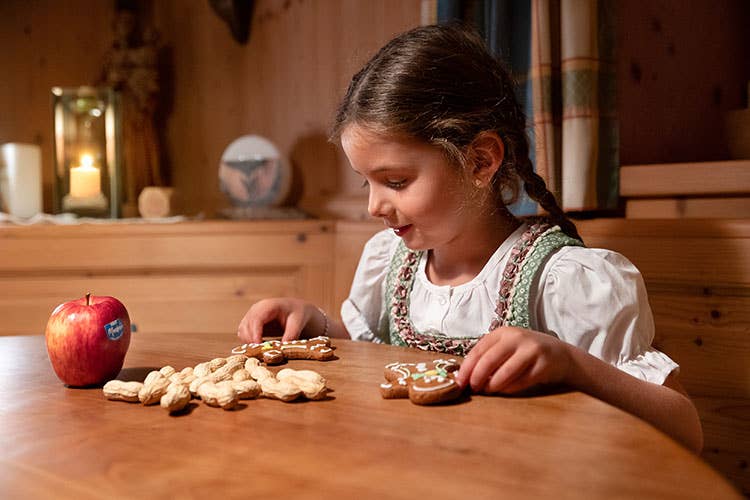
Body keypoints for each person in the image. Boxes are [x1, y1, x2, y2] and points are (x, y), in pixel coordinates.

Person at [237, 24, 703, 453]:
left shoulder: (562, 281)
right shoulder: (389, 263)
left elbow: (685, 428)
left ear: (480, 161)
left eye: (395, 182)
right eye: (367, 183)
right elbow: (365, 346)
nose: (374, 206)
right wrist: (313, 323)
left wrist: (573, 366)